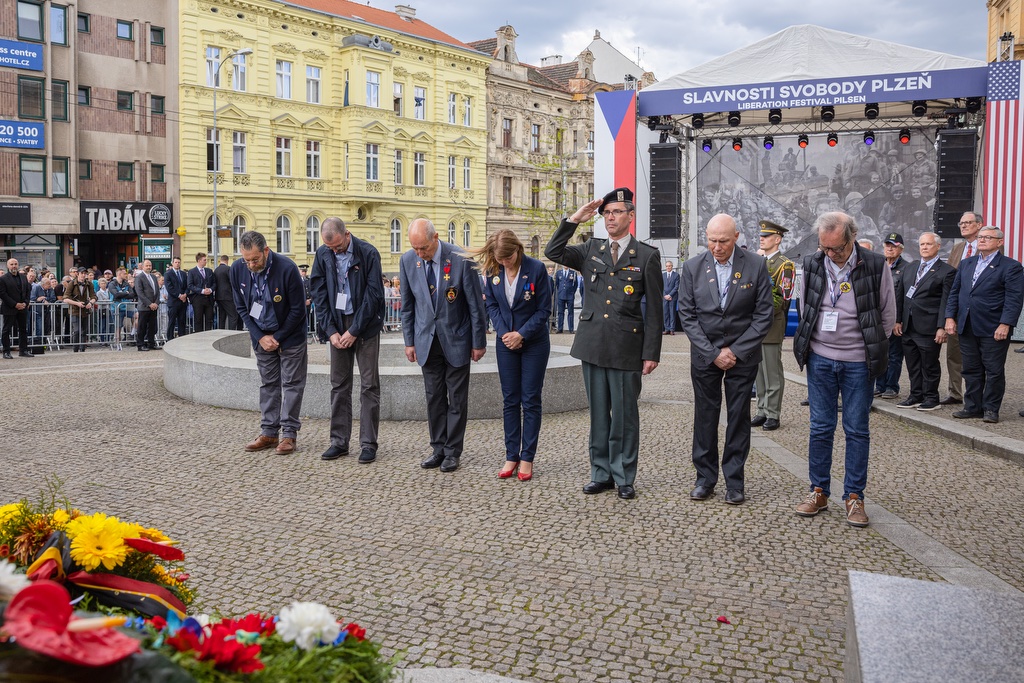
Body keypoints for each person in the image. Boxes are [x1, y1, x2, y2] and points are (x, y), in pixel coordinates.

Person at [545, 187, 663, 500]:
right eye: (606, 213)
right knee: (598, 414)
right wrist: (574, 220)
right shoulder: (590, 249)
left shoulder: (647, 255)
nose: (611, 218)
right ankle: (601, 473)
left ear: (630, 216)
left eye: (617, 212)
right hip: (593, 344)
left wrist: (651, 353)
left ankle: (624, 475)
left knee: (624, 415)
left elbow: (654, 309)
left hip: (627, 347)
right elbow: (553, 252)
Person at [793, 211, 896, 528]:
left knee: (856, 429)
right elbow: (803, 304)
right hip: (821, 358)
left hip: (857, 362)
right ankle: (818, 490)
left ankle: (854, 497)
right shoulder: (813, 263)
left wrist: (868, 347)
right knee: (820, 427)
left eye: (837, 248)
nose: (831, 254)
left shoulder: (875, 264)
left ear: (852, 238)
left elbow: (888, 314)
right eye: (825, 248)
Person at [679, 214, 773, 505]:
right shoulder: (693, 267)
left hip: (742, 357)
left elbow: (763, 315)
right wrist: (712, 353)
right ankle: (704, 479)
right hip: (705, 356)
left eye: (723, 241)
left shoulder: (756, 265)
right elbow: (687, 315)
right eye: (711, 241)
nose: (717, 247)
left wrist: (735, 351)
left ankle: (735, 482)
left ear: (736, 237)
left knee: (738, 419)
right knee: (705, 417)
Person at [399, 218, 487, 473]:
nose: (419, 254)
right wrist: (409, 342)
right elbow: (407, 307)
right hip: (426, 341)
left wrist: (478, 342)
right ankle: (437, 448)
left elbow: (475, 306)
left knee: (457, 399)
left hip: (456, 339)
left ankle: (452, 452)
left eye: (423, 248)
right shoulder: (407, 261)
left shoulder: (460, 259)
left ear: (435, 238)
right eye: (415, 248)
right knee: (434, 398)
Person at [473, 229, 552, 482]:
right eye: (499, 259)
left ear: (517, 250)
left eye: (507, 258)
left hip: (534, 343)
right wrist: (506, 333)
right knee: (510, 400)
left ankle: (527, 457)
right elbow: (492, 305)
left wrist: (522, 334)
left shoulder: (537, 269)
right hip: (506, 342)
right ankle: (511, 455)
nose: (503, 263)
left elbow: (544, 310)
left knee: (530, 400)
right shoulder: (492, 270)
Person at [309, 217, 385, 464]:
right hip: (336, 324)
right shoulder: (323, 254)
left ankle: (368, 443)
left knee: (369, 385)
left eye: (338, 247)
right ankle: (339, 442)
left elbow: (374, 295)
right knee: (338, 384)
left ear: (347, 234)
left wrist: (354, 330)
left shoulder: (368, 253)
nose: (334, 251)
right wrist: (330, 331)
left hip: (364, 325)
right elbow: (319, 294)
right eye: (330, 248)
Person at [232, 230, 309, 455]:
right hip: (261, 337)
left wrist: (277, 337)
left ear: (266, 251)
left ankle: (289, 435)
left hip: (290, 338)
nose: (251, 265)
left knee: (292, 385)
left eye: (255, 259)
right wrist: (260, 337)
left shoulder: (287, 268)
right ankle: (268, 432)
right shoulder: (238, 269)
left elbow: (297, 310)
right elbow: (242, 308)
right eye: (247, 260)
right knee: (268, 385)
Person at [944, 227, 1024, 424]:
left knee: (993, 370)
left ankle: (991, 409)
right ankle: (973, 407)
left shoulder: (1011, 266)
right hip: (966, 325)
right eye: (980, 237)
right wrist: (950, 317)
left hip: (993, 327)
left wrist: (1005, 324)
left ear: (999, 242)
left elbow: (1014, 299)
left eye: (988, 237)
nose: (982, 240)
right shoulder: (966, 263)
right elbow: (955, 292)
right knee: (971, 369)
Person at [894, 232, 955, 412]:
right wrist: (897, 320)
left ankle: (931, 397)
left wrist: (941, 327)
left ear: (937, 246)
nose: (925, 247)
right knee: (912, 363)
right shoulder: (910, 267)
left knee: (929, 364)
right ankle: (915, 395)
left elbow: (946, 301)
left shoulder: (947, 271)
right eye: (922, 244)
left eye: (929, 244)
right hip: (908, 325)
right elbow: (901, 295)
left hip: (929, 326)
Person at [751, 220, 795, 431]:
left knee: (772, 371)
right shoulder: (756, 261)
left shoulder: (784, 265)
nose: (762, 238)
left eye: (767, 236)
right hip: (754, 326)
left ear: (777, 239)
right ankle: (761, 409)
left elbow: (783, 297)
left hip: (770, 325)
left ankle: (773, 413)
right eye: (761, 235)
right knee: (758, 372)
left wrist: (760, 313)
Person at [941, 211, 983, 404]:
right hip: (956, 309)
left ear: (979, 225)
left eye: (968, 223)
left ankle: (976, 395)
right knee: (953, 353)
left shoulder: (988, 246)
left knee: (977, 356)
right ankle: (955, 393)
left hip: (978, 311)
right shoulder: (957, 248)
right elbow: (949, 279)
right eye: (961, 223)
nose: (964, 226)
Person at [875, 233, 909, 399]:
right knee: (880, 353)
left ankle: (891, 386)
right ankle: (879, 385)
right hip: (877, 319)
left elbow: (904, 297)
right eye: (887, 245)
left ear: (901, 249)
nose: (889, 248)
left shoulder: (906, 268)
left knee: (894, 355)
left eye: (893, 246)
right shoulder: (878, 265)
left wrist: (898, 320)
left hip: (894, 320)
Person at [0, 258, 33, 358]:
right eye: (11, 264)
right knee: (6, 330)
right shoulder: (3, 278)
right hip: (9, 308)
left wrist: (25, 303)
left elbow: (27, 291)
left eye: (15, 264)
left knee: (23, 329)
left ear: (18, 265)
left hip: (22, 308)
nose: (14, 266)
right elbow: (2, 294)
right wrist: (15, 304)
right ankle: (6, 351)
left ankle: (23, 350)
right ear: (8, 266)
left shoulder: (23, 277)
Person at [65, 267, 96, 353]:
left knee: (84, 330)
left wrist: (91, 303)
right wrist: (76, 303)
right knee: (77, 330)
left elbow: (94, 296)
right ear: (77, 274)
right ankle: (75, 348)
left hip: (85, 310)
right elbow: (65, 298)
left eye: (84, 273)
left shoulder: (89, 284)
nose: (83, 275)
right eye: (81, 273)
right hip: (74, 310)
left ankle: (82, 348)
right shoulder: (72, 283)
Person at [134, 260, 160, 352]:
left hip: (154, 306)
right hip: (144, 307)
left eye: (150, 265)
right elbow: (140, 293)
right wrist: (149, 304)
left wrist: (156, 303)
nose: (149, 267)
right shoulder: (139, 277)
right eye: (147, 265)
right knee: (142, 326)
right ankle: (140, 344)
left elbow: (157, 291)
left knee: (152, 326)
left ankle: (151, 343)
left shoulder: (153, 277)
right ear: (143, 267)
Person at [188, 252, 216, 332]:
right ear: (199, 260)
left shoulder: (209, 271)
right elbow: (190, 285)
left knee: (209, 319)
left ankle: (208, 336)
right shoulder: (192, 272)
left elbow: (214, 283)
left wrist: (210, 290)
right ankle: (199, 338)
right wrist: (202, 291)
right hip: (198, 299)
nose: (206, 261)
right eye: (204, 260)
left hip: (209, 299)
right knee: (198, 320)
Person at [164, 256, 189, 340]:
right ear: (172, 263)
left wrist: (185, 294)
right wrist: (179, 295)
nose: (177, 264)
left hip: (183, 302)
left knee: (182, 321)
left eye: (179, 262)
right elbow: (169, 288)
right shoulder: (168, 274)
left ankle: (181, 337)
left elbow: (187, 286)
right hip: (174, 302)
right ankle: (170, 338)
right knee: (172, 321)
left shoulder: (183, 274)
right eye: (176, 262)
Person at [214, 254, 239, 330]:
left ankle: (221, 332)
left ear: (220, 260)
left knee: (222, 316)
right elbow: (232, 282)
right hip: (228, 296)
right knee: (233, 316)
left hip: (218, 296)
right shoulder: (228, 269)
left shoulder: (216, 270)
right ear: (227, 261)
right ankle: (231, 333)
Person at [554, 266, 578, 333]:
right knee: (560, 312)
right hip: (561, 295)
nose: (565, 265)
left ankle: (571, 329)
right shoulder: (559, 272)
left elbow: (575, 284)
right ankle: (560, 328)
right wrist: (560, 292)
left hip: (570, 295)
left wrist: (572, 292)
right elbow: (557, 284)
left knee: (570, 312)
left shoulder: (573, 273)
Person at [662, 261, 680, 335]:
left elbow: (676, 287)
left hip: (673, 297)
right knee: (665, 313)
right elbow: (661, 286)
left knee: (672, 313)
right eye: (667, 266)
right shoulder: (663, 275)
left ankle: (672, 329)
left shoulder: (676, 275)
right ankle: (667, 329)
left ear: (672, 266)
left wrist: (670, 295)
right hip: (664, 297)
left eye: (669, 266)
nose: (668, 267)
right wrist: (665, 295)